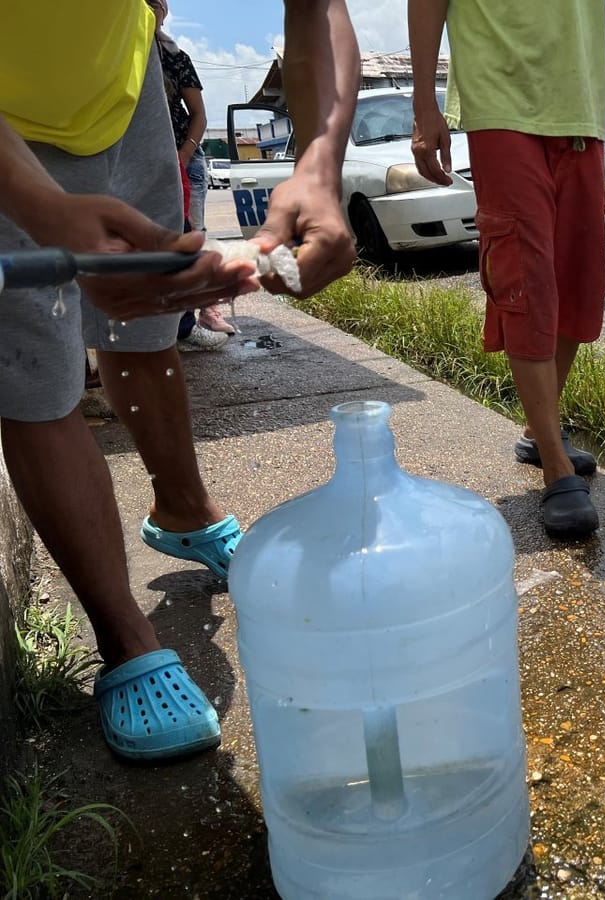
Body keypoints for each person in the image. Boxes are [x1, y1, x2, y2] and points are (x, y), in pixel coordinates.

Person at [0, 0, 359, 762]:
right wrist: (43, 207)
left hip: (122, 99)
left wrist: (319, 165)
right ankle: (123, 635)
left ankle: (185, 512)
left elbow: (316, 9)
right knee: (35, 378)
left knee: (149, 312)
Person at [410, 0, 605, 538]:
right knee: (526, 284)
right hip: (500, 102)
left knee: (577, 285)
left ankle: (536, 428)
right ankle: (554, 462)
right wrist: (423, 103)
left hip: (579, 110)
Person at [144, 0, 235, 349]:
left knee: (191, 236)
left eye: (158, 3)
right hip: (139, 161)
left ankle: (204, 311)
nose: (151, 8)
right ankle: (164, 324)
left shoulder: (175, 57)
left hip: (183, 161)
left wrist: (182, 156)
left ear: (165, 12)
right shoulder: (118, 54)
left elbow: (198, 114)